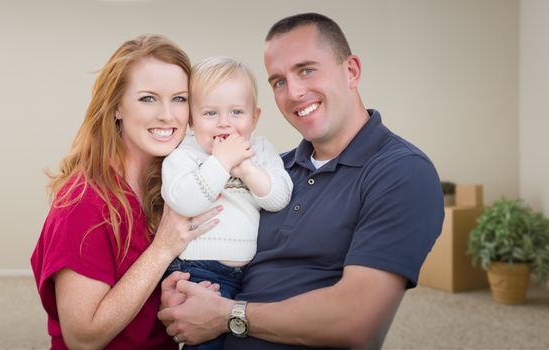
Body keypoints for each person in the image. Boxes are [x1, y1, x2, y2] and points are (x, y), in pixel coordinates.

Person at [157, 13, 444, 349]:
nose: (293, 92)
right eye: (278, 81)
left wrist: (227, 315)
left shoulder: (400, 172)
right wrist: (183, 291)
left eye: (306, 70)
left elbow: (357, 321)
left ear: (351, 71)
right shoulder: (276, 168)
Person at [30, 34, 221, 350]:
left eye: (179, 98)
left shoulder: (176, 189)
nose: (167, 115)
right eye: (148, 98)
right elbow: (83, 337)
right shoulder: (83, 202)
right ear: (117, 106)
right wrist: (162, 249)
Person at [159, 56, 293, 350]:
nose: (224, 122)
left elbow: (279, 198)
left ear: (254, 118)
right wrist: (221, 162)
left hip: (251, 273)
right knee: (204, 341)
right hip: (197, 270)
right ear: (192, 119)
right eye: (210, 113)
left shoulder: (259, 150)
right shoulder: (184, 155)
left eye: (236, 112)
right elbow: (185, 201)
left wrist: (245, 169)